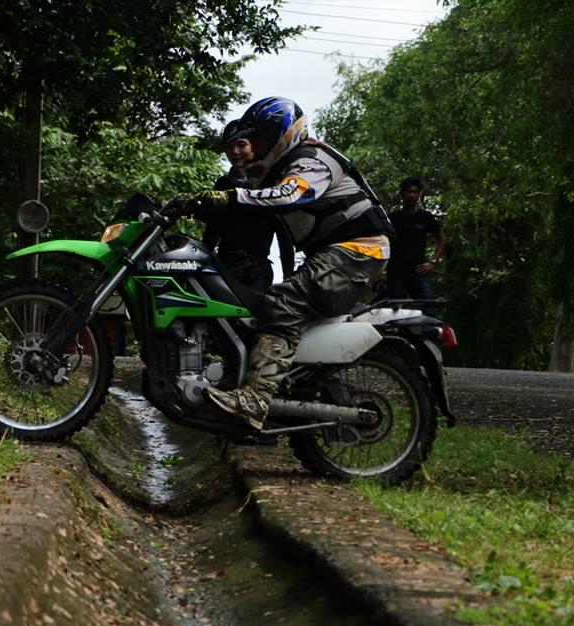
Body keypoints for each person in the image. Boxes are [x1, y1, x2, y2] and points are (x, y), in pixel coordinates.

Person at [190, 97, 394, 431]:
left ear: (281, 133)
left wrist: (232, 196)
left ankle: (255, 400)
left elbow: (292, 194)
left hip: (358, 251)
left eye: (260, 138)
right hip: (340, 254)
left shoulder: (312, 159)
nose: (255, 147)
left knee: (281, 303)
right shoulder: (281, 168)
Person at [201, 121, 295, 291]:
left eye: (241, 145)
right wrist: (201, 264)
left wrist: (289, 278)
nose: (234, 152)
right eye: (229, 147)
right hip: (222, 267)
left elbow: (284, 236)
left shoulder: (271, 184)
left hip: (255, 271)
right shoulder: (223, 184)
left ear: (255, 145)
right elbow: (213, 229)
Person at [386, 177, 446, 300]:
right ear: (402, 193)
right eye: (409, 191)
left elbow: (441, 239)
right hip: (396, 271)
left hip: (418, 270)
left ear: (419, 194)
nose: (412, 195)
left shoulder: (425, 217)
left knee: (427, 304)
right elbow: (382, 244)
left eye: (415, 192)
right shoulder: (392, 218)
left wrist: (433, 262)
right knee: (397, 306)